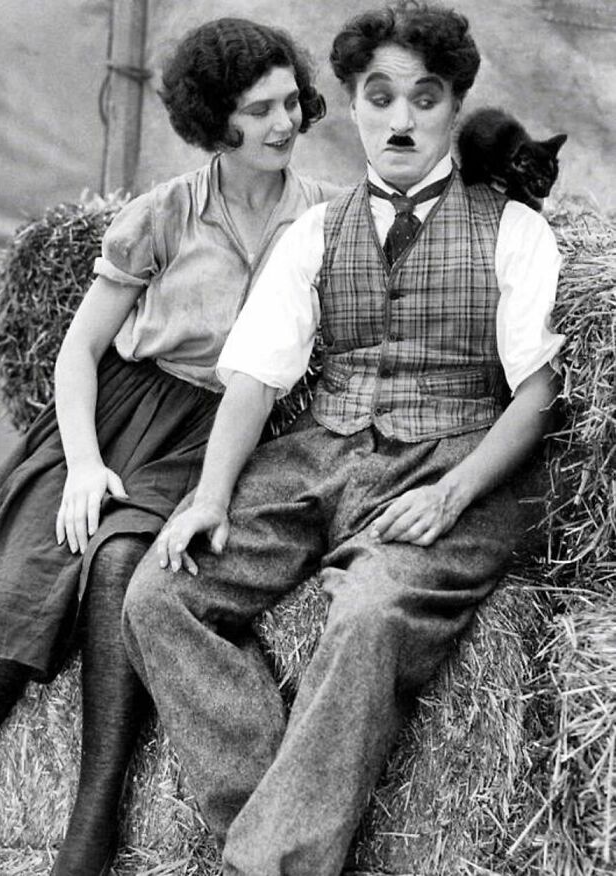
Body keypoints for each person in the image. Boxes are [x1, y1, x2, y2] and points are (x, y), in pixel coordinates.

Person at [121, 3, 566, 875]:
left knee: (365, 618)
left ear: (455, 104)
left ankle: (267, 864)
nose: (402, 120)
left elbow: (540, 391)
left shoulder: (517, 230)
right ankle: (274, 834)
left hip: (455, 460)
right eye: (380, 96)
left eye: (426, 98)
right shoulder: (316, 232)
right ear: (355, 106)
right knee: (158, 597)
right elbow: (254, 374)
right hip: (320, 453)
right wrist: (211, 496)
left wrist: (454, 492)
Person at [0, 17, 337, 876]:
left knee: (121, 565)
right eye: (259, 111)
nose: (285, 123)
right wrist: (80, 465)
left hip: (218, 428)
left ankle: (94, 816)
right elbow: (78, 349)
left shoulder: (324, 218)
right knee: (33, 560)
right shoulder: (164, 213)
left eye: (292, 101)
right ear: (216, 119)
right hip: (114, 413)